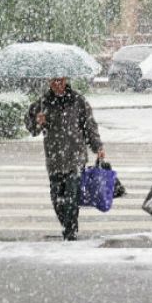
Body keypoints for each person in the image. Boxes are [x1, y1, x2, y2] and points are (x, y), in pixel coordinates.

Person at [25, 77, 105, 241]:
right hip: (54, 158)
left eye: (60, 81)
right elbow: (32, 127)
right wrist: (38, 122)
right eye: (54, 81)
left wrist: (98, 147)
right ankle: (67, 225)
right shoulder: (42, 103)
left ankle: (70, 231)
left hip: (75, 157)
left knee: (71, 197)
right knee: (57, 198)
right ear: (49, 82)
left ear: (66, 80)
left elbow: (89, 126)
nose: (58, 85)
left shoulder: (78, 100)